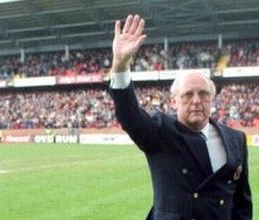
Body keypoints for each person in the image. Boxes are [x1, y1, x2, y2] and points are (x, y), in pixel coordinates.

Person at [108, 14, 251, 219]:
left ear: (212, 99)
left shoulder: (236, 139)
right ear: (175, 100)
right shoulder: (160, 133)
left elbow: (241, 202)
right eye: (187, 94)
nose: (196, 100)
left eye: (203, 94)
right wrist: (120, 66)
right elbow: (130, 116)